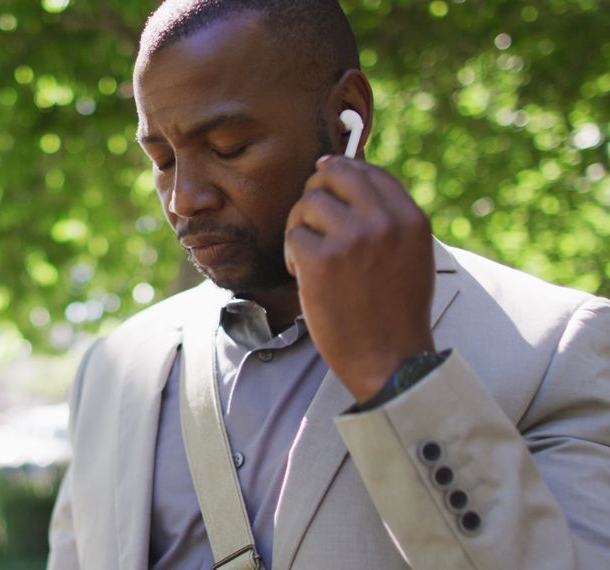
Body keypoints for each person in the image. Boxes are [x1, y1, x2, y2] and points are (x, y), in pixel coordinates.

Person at [46, 1, 610, 569]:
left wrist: (401, 377)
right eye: (164, 160)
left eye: (227, 147)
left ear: (348, 116)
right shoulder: (111, 373)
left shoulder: (558, 351)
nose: (184, 199)